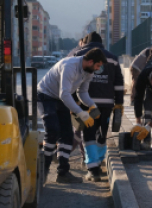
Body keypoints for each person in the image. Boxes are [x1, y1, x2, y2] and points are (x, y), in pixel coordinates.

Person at [37, 48, 106, 183]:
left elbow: (82, 92)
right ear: (91, 61)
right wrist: (81, 113)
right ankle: (43, 169)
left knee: (67, 135)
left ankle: (63, 173)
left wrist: (92, 106)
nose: (98, 69)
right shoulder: (69, 66)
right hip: (45, 95)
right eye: (97, 65)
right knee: (53, 131)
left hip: (60, 98)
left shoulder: (88, 72)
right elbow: (64, 94)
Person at [74, 31, 124, 182]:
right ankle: (98, 160)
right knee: (102, 133)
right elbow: (118, 83)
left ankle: (93, 169)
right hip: (106, 103)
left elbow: (71, 79)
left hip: (85, 102)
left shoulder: (79, 55)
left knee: (88, 134)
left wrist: (74, 101)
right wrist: (119, 103)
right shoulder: (113, 58)